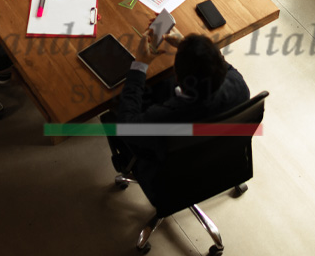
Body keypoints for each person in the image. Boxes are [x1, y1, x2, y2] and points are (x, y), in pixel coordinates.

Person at [105, 31, 250, 178]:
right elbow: (221, 65)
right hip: (219, 157)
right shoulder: (240, 87)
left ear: (177, 77)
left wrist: (140, 64)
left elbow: (126, 126)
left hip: (173, 176)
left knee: (118, 100)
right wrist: (190, 48)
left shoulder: (164, 117)